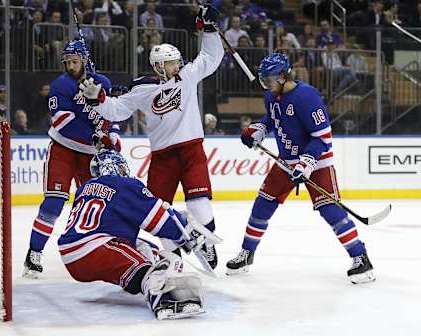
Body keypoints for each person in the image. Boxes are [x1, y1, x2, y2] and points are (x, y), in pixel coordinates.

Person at [77, 4, 223, 270]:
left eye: (178, 60)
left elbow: (209, 59)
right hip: (163, 157)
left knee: (199, 200)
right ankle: (171, 255)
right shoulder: (143, 89)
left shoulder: (187, 77)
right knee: (157, 207)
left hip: (192, 151)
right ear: (158, 66)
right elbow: (118, 110)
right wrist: (97, 100)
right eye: (172, 62)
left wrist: (210, 30)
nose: (178, 64)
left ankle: (209, 245)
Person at [225, 53, 375, 284]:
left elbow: (323, 136)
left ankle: (361, 258)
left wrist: (307, 162)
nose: (266, 85)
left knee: (330, 210)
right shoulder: (271, 95)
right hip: (285, 163)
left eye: (269, 80)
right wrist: (258, 129)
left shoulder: (306, 96)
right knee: (262, 206)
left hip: (317, 162)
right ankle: (247, 254)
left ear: (283, 76)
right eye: (263, 80)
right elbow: (272, 118)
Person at [59, 149, 217, 320]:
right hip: (97, 248)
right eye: (120, 168)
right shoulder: (124, 184)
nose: (123, 171)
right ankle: (162, 297)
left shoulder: (84, 188)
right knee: (150, 267)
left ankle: (141, 277)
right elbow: (156, 218)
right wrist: (184, 232)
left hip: (71, 254)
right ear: (116, 168)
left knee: (151, 252)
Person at [23, 39, 121, 279]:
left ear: (85, 61)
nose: (70, 65)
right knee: (54, 202)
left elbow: (113, 114)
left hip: (90, 155)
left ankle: (95, 253)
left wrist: (113, 137)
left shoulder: (103, 83)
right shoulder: (61, 85)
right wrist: (95, 137)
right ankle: (34, 253)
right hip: (63, 149)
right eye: (67, 61)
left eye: (75, 61)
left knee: (94, 205)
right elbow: (63, 122)